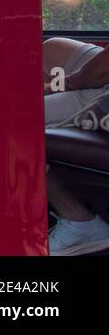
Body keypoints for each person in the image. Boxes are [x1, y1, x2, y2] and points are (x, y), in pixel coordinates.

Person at [43, 36, 109, 255]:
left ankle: (80, 222)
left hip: (103, 96)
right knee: (52, 49)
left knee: (0, 118)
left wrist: (69, 84)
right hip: (99, 79)